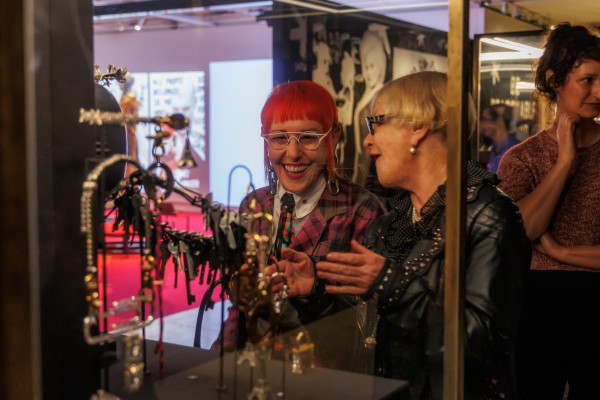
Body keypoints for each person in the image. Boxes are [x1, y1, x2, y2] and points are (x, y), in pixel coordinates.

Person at [303, 71, 528, 399]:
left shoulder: (488, 214)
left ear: (418, 127)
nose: (367, 140)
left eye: (375, 124)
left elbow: (484, 344)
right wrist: (313, 289)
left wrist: (392, 283)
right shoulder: (389, 226)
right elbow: (356, 339)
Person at [210, 80, 384, 372]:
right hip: (255, 366)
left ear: (334, 136)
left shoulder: (361, 209)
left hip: (324, 373)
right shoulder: (254, 205)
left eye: (308, 137)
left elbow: (369, 314)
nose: (292, 153)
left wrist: (314, 288)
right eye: (279, 138)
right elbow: (239, 309)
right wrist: (222, 355)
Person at [497, 23, 600, 400]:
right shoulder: (522, 158)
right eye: (587, 80)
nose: (599, 93)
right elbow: (520, 231)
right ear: (555, 81)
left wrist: (560, 252)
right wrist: (565, 161)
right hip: (539, 307)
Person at [479, 104, 520, 173]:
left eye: (486, 119)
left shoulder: (513, 151)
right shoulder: (495, 146)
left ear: (498, 122)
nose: (482, 124)